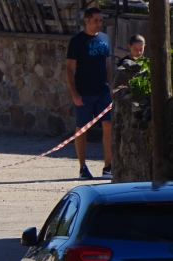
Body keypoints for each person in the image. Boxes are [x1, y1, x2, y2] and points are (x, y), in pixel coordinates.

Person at [66, 6, 113, 181]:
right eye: (95, 20)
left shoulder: (105, 39)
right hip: (84, 91)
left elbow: (107, 64)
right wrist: (74, 94)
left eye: (101, 20)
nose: (99, 24)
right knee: (82, 129)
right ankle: (82, 167)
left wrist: (109, 86)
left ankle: (108, 166)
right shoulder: (77, 41)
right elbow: (70, 69)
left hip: (102, 91)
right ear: (86, 21)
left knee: (108, 125)